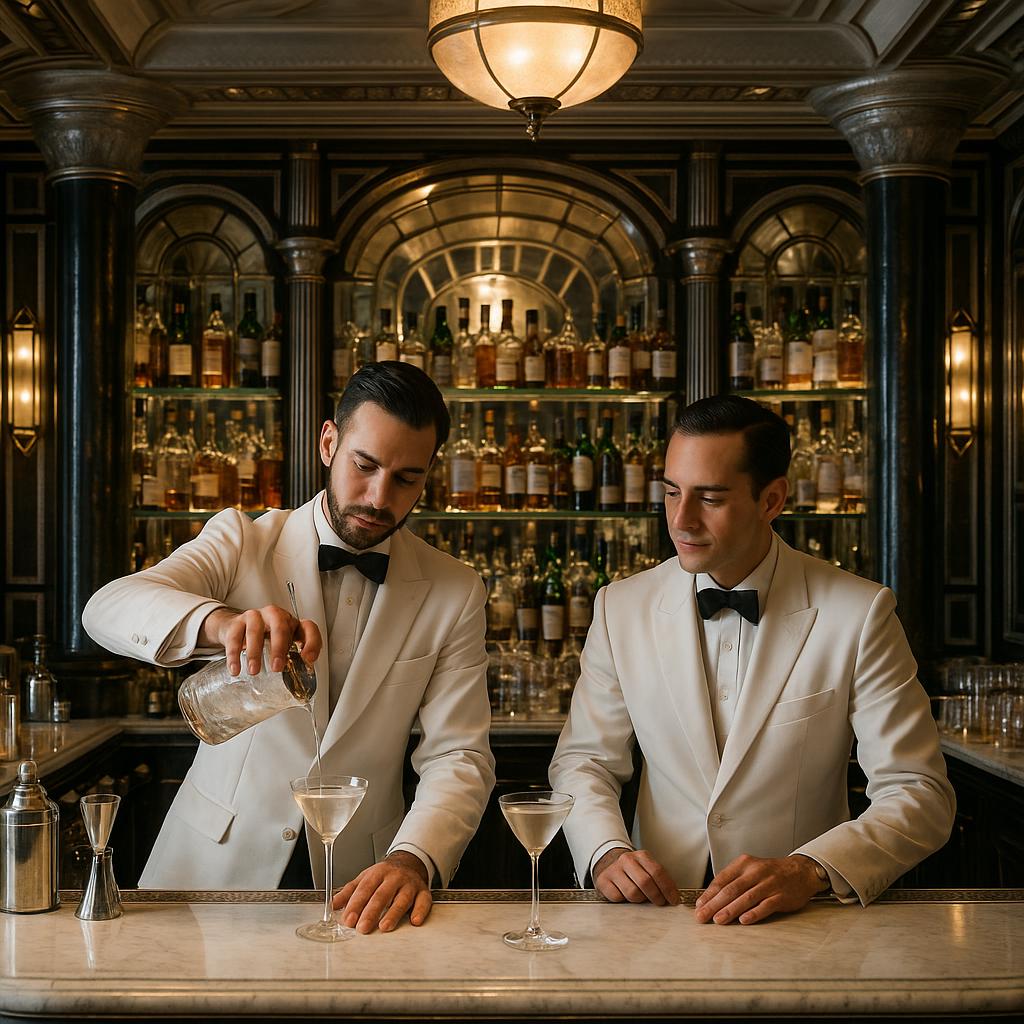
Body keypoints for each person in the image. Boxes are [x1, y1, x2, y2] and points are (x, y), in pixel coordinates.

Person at [83, 361, 495, 933]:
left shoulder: (454, 590)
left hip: (362, 887)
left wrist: (413, 858)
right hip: (210, 878)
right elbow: (106, 608)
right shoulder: (243, 539)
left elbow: (459, 755)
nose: (379, 498)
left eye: (406, 478)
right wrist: (220, 624)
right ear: (329, 442)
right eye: (365, 465)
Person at [549, 395, 955, 924]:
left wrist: (810, 870)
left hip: (803, 921)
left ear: (771, 499)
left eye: (710, 498)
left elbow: (919, 792)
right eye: (672, 492)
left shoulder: (859, 613)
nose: (681, 519)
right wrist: (605, 851)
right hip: (656, 915)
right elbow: (584, 762)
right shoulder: (619, 607)